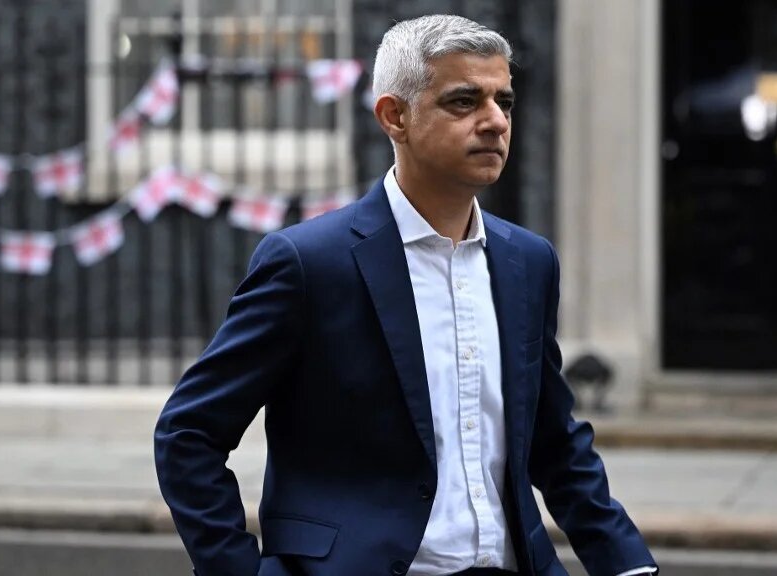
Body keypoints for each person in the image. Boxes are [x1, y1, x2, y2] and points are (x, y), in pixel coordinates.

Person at [154, 14, 656, 576]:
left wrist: (627, 565)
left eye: (504, 102)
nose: (495, 121)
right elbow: (188, 434)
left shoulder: (529, 261)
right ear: (395, 117)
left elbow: (554, 441)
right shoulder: (309, 263)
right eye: (464, 101)